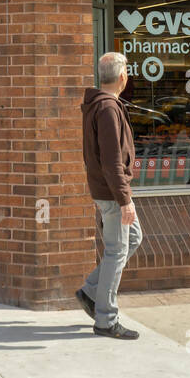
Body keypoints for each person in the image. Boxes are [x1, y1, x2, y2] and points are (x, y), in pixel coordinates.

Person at [77, 51, 143, 340]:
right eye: (127, 70)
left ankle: (91, 291)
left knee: (134, 238)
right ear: (122, 77)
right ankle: (106, 319)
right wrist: (124, 199)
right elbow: (112, 161)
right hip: (112, 193)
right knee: (117, 250)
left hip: (110, 191)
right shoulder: (107, 109)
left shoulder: (103, 105)